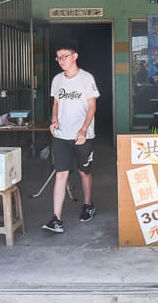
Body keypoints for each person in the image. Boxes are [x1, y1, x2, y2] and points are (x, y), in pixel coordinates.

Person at [42, 41, 100, 233]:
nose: (61, 61)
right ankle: (56, 219)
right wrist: (54, 119)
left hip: (83, 135)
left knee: (84, 172)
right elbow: (56, 102)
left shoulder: (86, 78)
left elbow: (92, 106)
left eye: (64, 57)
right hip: (61, 134)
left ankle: (88, 204)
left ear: (74, 57)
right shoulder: (57, 79)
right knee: (60, 174)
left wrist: (84, 129)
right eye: (58, 57)